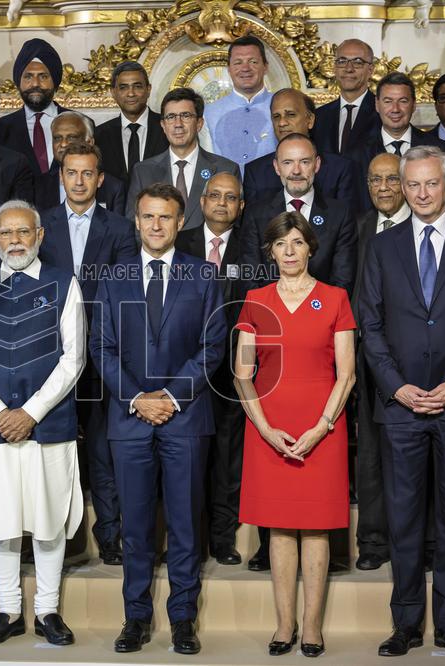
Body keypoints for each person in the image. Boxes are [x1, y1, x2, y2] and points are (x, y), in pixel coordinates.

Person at [359, 146, 445, 659]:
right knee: (403, 518)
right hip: (399, 407)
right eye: (411, 185)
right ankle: (404, 624)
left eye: (430, 184)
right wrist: (396, 386)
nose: (420, 194)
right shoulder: (382, 246)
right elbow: (369, 325)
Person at [90, 183, 227, 655]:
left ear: (180, 221)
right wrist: (137, 398)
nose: (155, 225)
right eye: (147, 217)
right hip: (129, 421)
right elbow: (101, 349)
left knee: (186, 523)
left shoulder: (204, 276)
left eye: (164, 218)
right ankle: (136, 618)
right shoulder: (113, 277)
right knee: (136, 525)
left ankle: (183, 619)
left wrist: (168, 396)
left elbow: (213, 348)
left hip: (185, 419)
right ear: (136, 220)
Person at [0, 200, 85, 646]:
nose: (15, 241)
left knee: (48, 519)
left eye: (23, 232)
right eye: (6, 233)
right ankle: (8, 609)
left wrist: (30, 413)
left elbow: (74, 358)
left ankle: (48, 610)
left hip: (47, 426)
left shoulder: (63, 283)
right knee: (0, 519)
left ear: (40, 236)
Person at [234, 210, 356, 657]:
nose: (289, 251)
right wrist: (265, 429)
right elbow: (242, 374)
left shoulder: (336, 297)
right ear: (270, 251)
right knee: (280, 530)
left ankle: (312, 628)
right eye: (281, 244)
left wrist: (322, 427)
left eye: (297, 243)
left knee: (316, 529)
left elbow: (347, 375)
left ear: (310, 248)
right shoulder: (254, 299)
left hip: (322, 427)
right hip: (270, 427)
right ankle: (284, 626)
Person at [38, 141, 137, 565]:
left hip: (101, 354)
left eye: (87, 174)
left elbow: (126, 291)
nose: (78, 181)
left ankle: (110, 535)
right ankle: (54, 536)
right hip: (48, 357)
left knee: (102, 450)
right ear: (61, 176)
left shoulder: (119, 228)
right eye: (70, 172)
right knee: (51, 449)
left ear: (100, 179)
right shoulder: (40, 225)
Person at [174, 171, 250, 565]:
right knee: (184, 456)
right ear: (201, 202)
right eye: (215, 196)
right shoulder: (180, 242)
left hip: (231, 373)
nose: (222, 203)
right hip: (180, 368)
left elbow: (254, 313)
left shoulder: (250, 249)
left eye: (231, 197)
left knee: (226, 456)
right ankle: (187, 536)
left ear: (240, 206)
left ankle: (221, 537)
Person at [351, 153, 408, 571]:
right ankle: (372, 541)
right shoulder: (357, 228)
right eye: (376, 180)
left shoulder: (422, 225)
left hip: (413, 361)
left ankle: (415, 539)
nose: (384, 188)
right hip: (366, 359)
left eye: (391, 179)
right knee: (369, 453)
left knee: (411, 455)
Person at [241, 133, 357, 292]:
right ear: (276, 167)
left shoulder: (340, 214)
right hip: (269, 313)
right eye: (288, 162)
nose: (296, 171)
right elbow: (250, 278)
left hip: (322, 312)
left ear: (317, 165)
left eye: (304, 162)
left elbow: (342, 281)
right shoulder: (256, 214)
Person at [126, 87, 239, 230]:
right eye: (171, 117)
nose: (178, 124)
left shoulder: (225, 169)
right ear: (163, 125)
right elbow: (133, 225)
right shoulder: (143, 171)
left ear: (199, 123)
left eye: (185, 116)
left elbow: (234, 226)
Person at [346, 72, 445, 210]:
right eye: (388, 101)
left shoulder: (438, 148)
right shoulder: (356, 152)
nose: (395, 109)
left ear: (413, 105)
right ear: (377, 105)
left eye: (403, 101)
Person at [242, 88, 359, 207]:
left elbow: (345, 221)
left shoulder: (339, 169)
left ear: (310, 120)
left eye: (291, 115)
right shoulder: (255, 172)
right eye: (276, 116)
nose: (282, 123)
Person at [0, 38, 72, 177]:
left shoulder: (77, 122)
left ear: (55, 81)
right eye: (28, 76)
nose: (35, 83)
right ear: (18, 82)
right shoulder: (1, 129)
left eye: (43, 76)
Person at [202, 35, 275, 169]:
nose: (245, 68)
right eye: (238, 62)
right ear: (229, 69)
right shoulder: (208, 113)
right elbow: (206, 163)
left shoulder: (281, 106)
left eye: (253, 62)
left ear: (265, 67)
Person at [35, 112, 126, 213]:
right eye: (57, 138)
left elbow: (118, 226)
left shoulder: (113, 187)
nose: (63, 144)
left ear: (89, 142)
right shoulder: (38, 186)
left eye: (72, 137)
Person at [94, 61, 169, 182]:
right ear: (113, 92)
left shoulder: (168, 127)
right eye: (123, 87)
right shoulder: (99, 135)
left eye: (137, 86)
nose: (131, 93)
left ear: (148, 89)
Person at [312, 39, 379, 156]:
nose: (348, 69)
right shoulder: (319, 117)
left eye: (357, 62)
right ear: (334, 68)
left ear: (370, 70)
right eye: (342, 61)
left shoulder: (383, 112)